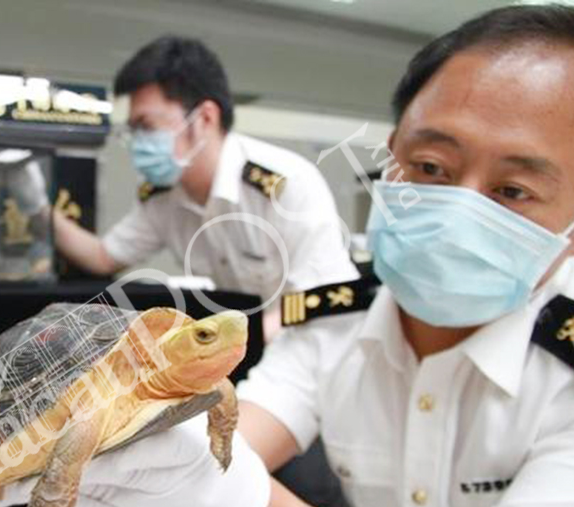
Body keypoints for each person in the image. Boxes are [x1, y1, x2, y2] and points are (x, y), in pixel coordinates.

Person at [0, 5, 574, 507]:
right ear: (391, 157)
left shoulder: (282, 187)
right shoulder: (334, 319)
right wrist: (73, 438)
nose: (453, 210)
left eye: (513, 191)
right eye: (431, 169)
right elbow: (238, 410)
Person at [42, 35, 358, 342]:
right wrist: (36, 208)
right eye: (133, 131)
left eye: (147, 127)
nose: (137, 144)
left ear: (205, 117)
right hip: (238, 348)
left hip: (305, 350)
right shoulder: (165, 199)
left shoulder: (285, 183)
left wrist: (239, 344)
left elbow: (329, 296)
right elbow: (103, 257)